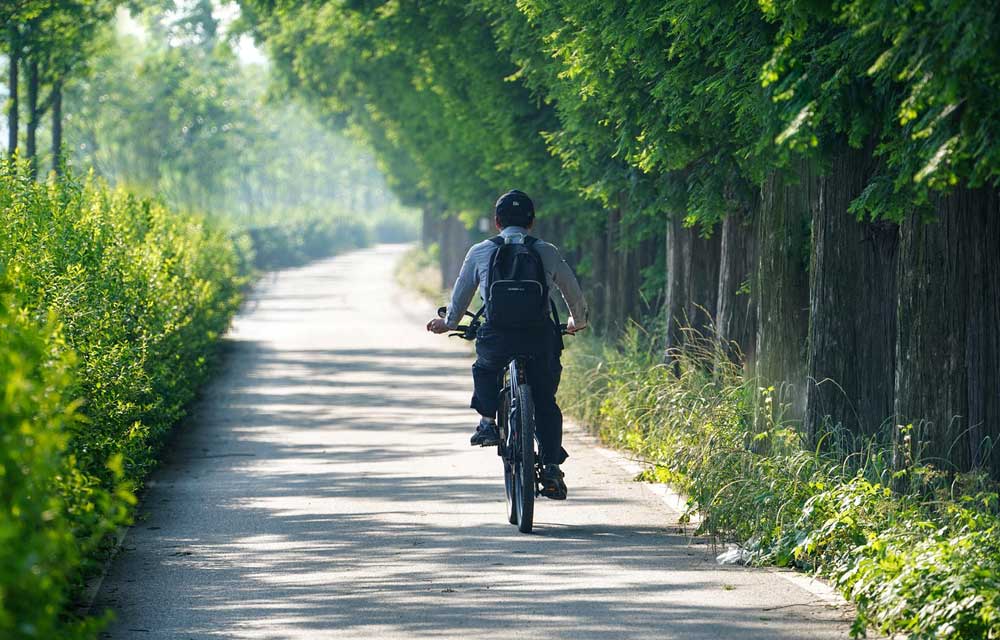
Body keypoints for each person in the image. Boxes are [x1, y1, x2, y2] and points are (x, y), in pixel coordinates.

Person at [426, 190, 588, 500]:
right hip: (539, 336)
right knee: (545, 401)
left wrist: (449, 322)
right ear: (532, 222)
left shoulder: (480, 251)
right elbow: (572, 291)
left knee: (485, 367)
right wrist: (577, 321)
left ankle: (488, 422)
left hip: (497, 335)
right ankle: (551, 466)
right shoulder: (546, 251)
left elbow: (461, 295)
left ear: (497, 222)